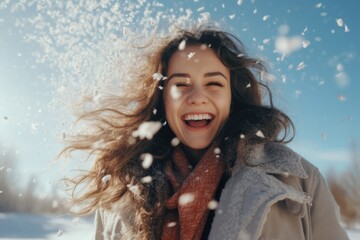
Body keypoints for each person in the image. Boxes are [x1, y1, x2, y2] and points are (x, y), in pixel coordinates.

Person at [60, 25, 349, 239]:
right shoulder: (123, 192)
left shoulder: (299, 181)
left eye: (213, 84)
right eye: (181, 84)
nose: (197, 97)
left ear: (232, 97)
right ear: (162, 98)